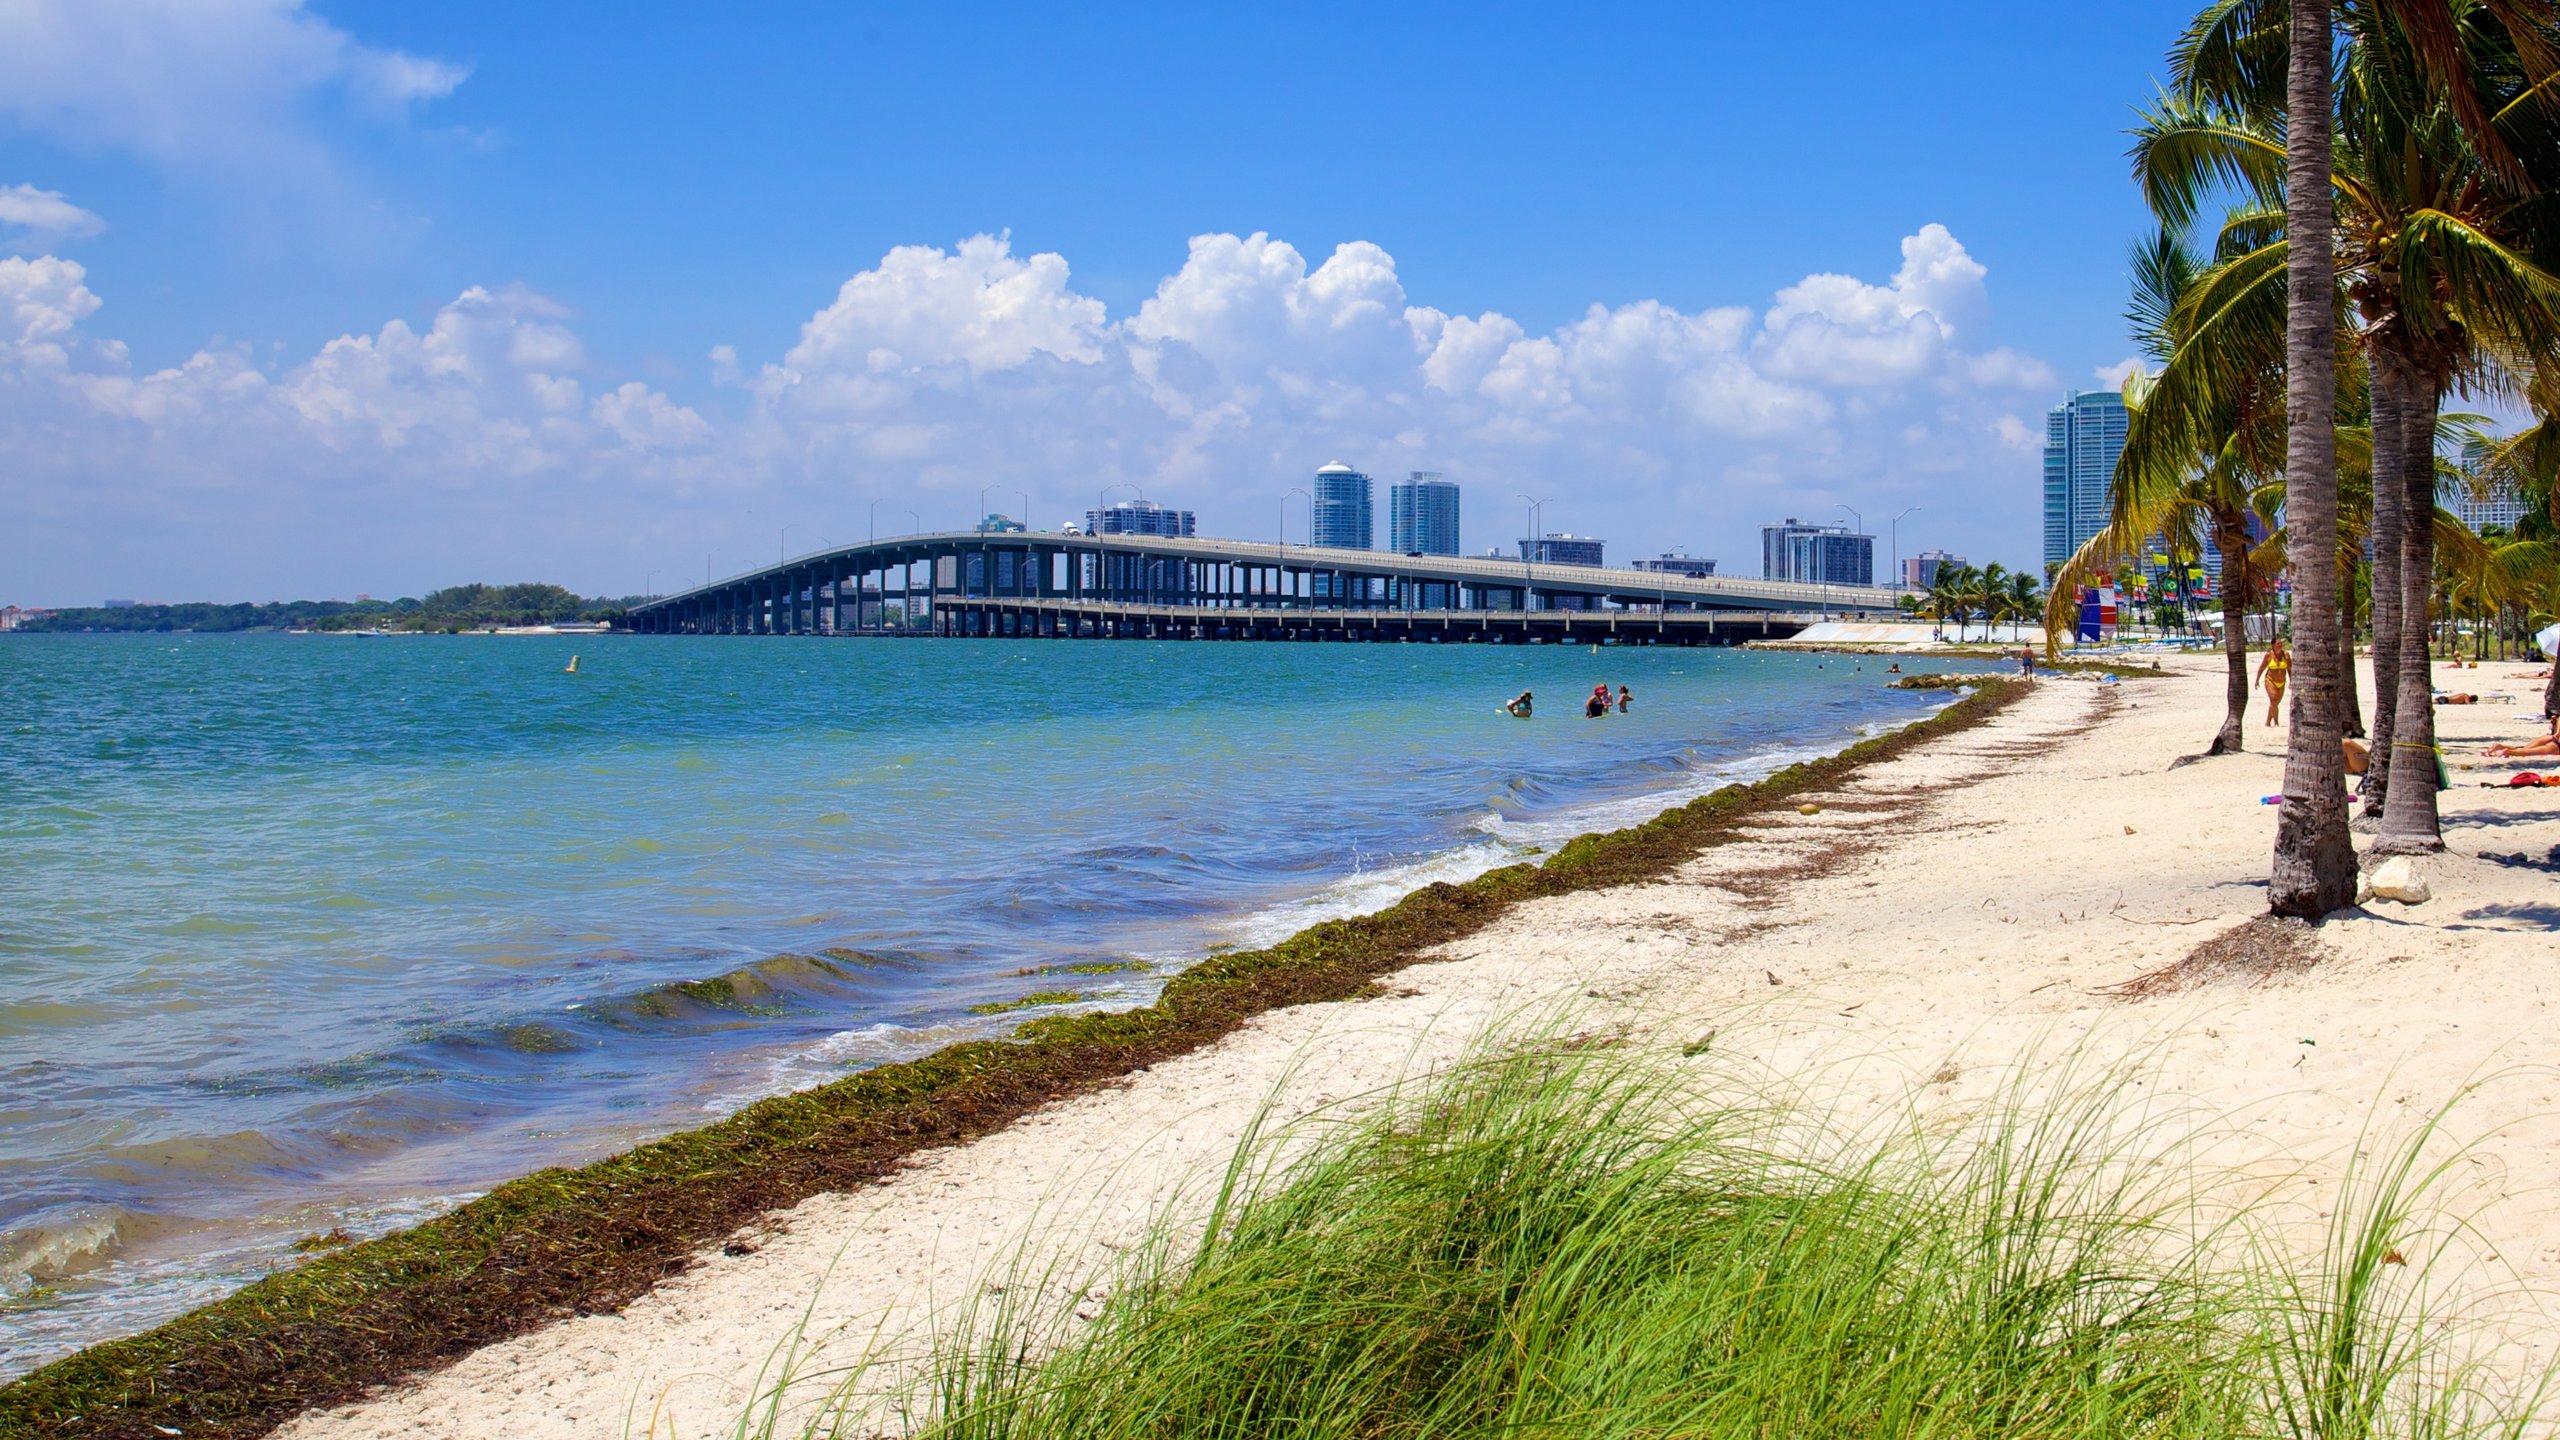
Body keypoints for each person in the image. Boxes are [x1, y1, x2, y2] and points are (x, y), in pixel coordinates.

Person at [2254, 637, 2291, 726]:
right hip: (2270, 681)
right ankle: (2276, 722)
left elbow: (2290, 669)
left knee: (2275, 703)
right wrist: (2257, 680)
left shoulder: (2286, 655)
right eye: (2278, 644)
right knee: (2274, 700)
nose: (2280, 645)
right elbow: (2261, 668)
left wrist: (2291, 680)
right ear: (2273, 645)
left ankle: (2268, 722)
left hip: (2282, 682)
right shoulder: (2268, 655)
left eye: (2280, 643)